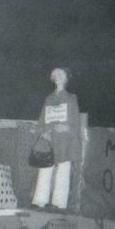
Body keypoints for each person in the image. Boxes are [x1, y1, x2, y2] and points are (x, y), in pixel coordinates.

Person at [31, 68, 80, 211]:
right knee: (45, 168)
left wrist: (67, 128)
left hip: (64, 140)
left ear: (66, 78)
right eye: (55, 75)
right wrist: (42, 133)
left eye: (60, 74)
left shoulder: (71, 98)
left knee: (63, 169)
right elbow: (42, 119)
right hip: (49, 138)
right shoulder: (48, 98)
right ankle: (39, 200)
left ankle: (58, 204)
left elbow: (75, 121)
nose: (57, 77)